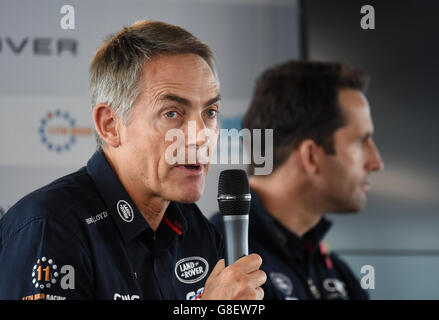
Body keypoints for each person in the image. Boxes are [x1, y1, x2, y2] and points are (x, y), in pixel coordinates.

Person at [0, 20, 266, 300]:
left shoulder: (197, 229)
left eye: (210, 112)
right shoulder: (50, 227)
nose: (200, 135)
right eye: (172, 113)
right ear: (110, 125)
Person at [211, 60, 384, 300]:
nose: (376, 162)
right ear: (311, 155)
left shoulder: (334, 270)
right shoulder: (210, 259)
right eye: (360, 142)